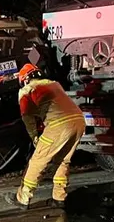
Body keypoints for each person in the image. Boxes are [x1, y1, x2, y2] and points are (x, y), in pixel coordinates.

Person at [5, 63, 86, 209]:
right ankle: (59, 197)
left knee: (37, 161)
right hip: (78, 121)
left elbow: (28, 118)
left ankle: (23, 198)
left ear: (24, 79)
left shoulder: (27, 90)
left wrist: (35, 137)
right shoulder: (55, 84)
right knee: (63, 160)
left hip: (58, 126)